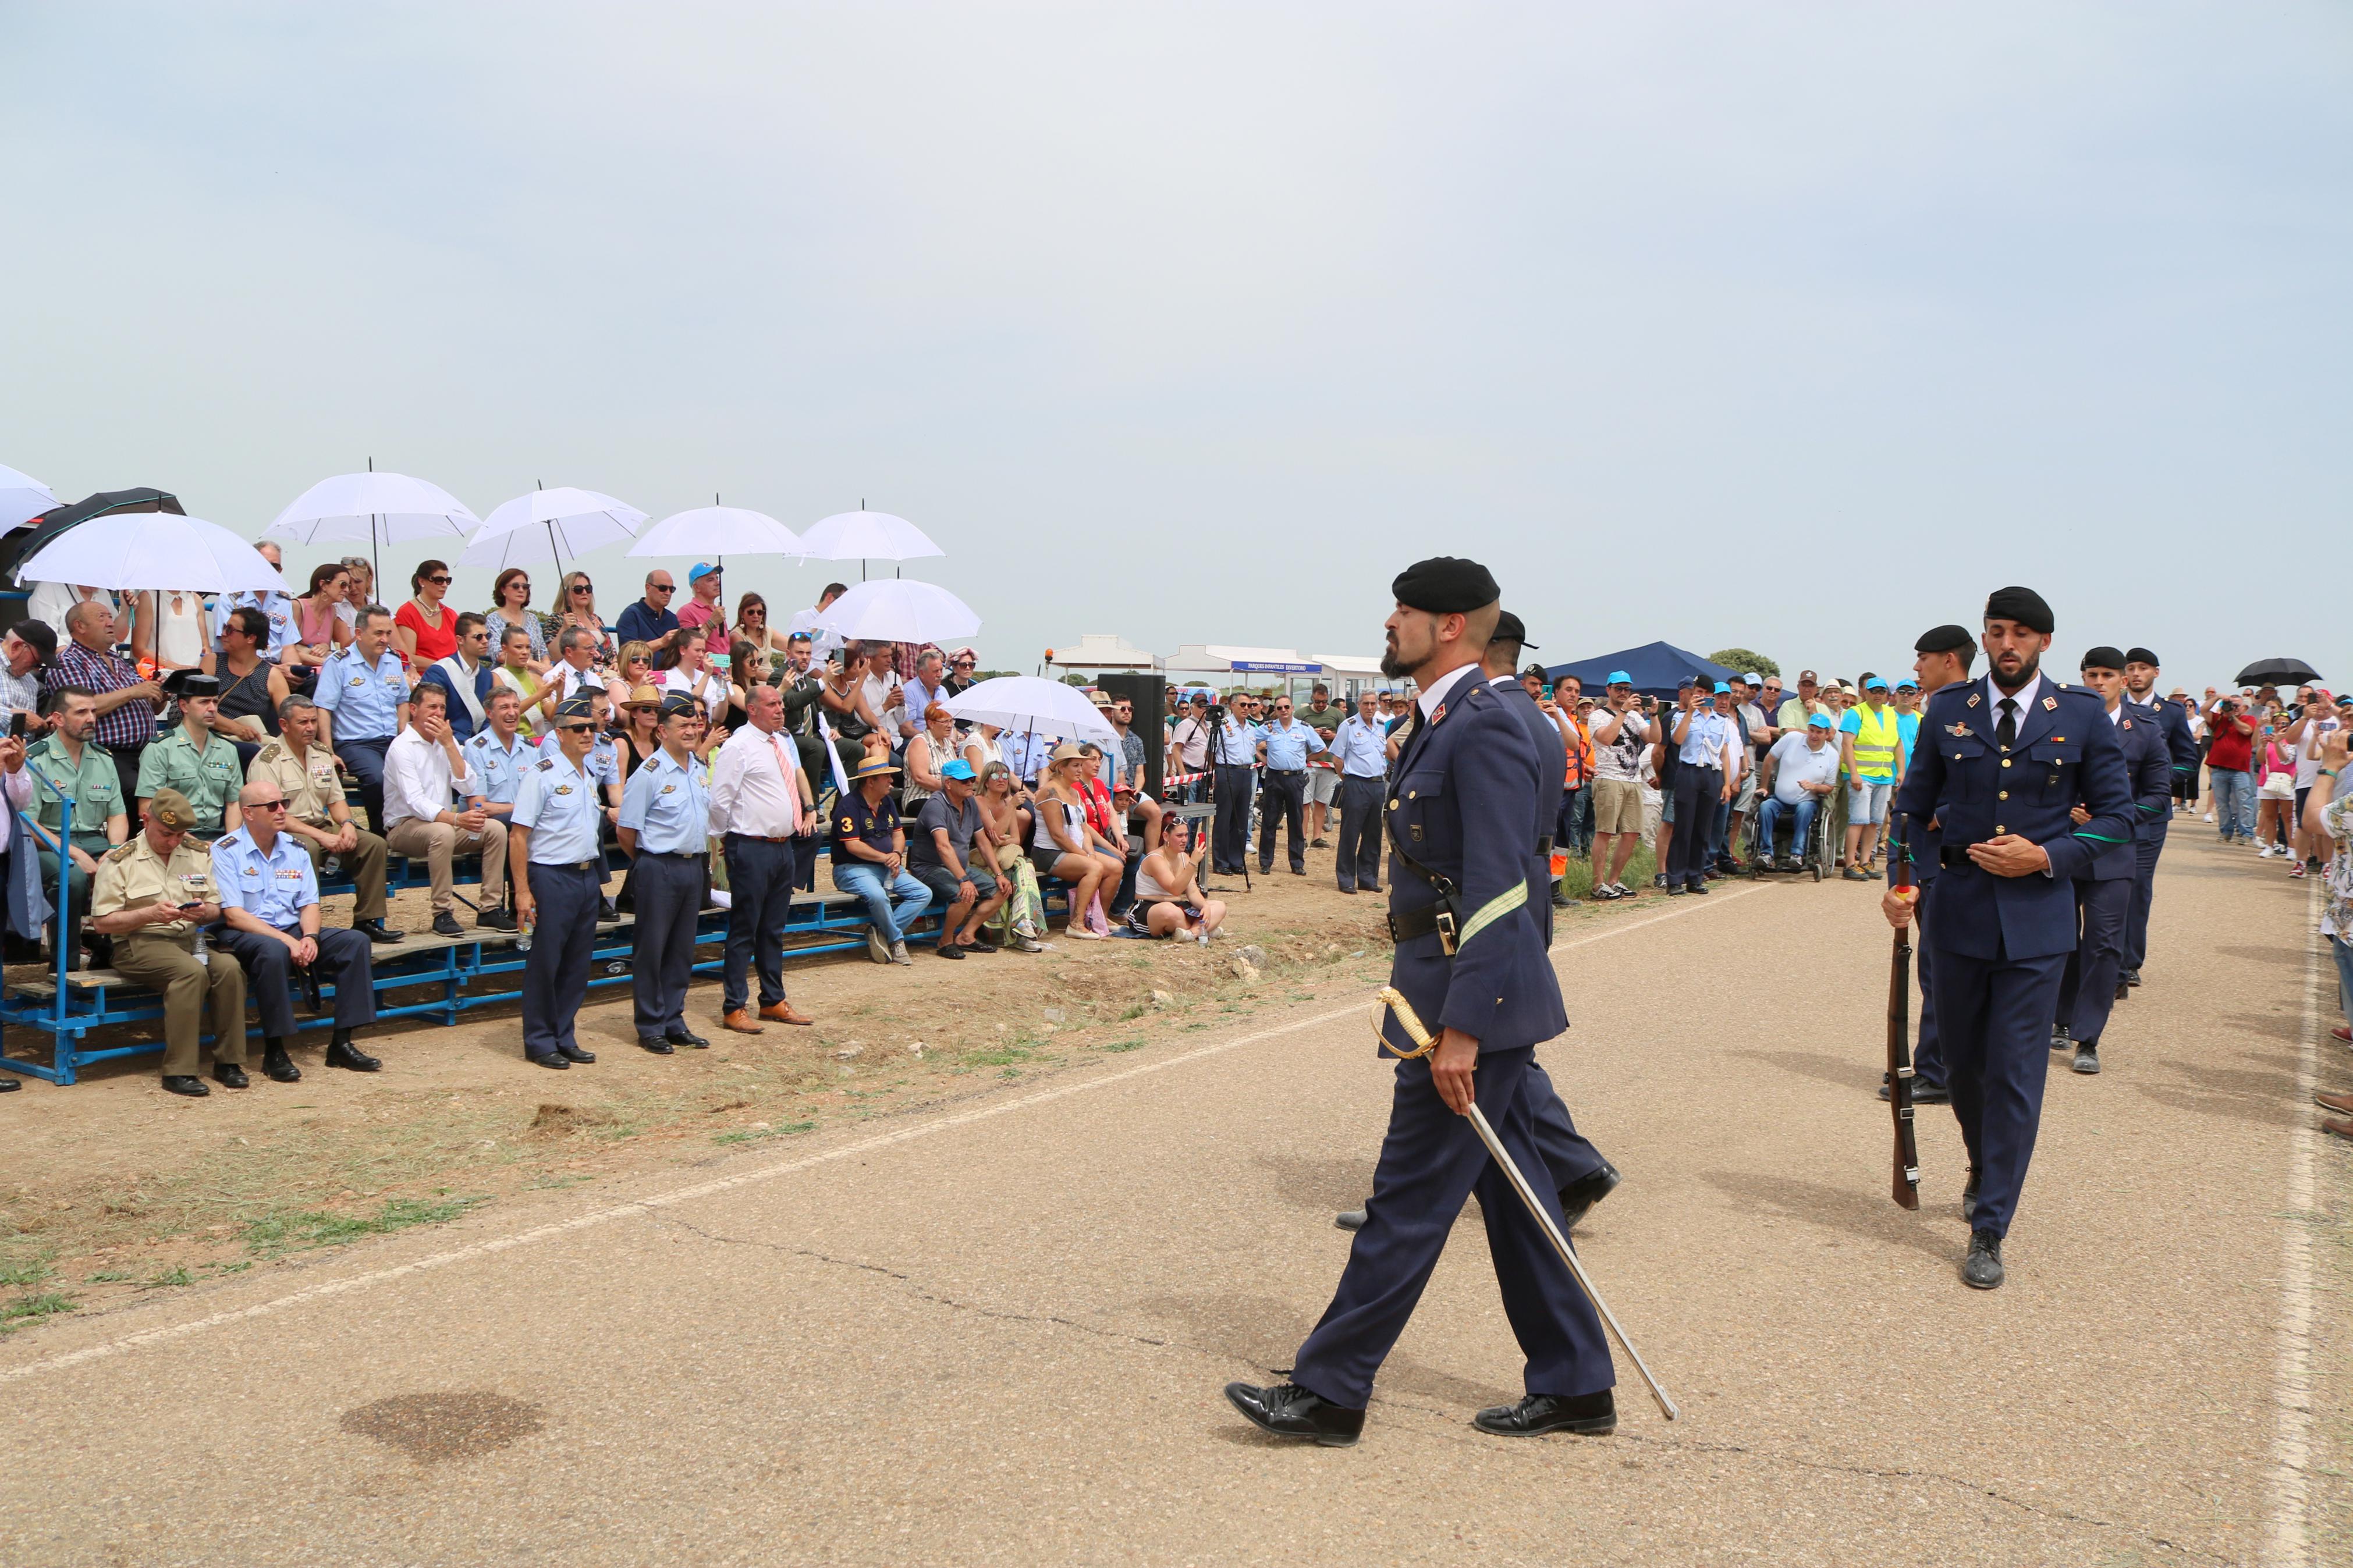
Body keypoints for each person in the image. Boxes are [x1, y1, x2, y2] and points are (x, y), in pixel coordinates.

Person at [1227, 557, 1616, 1448]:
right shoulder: (1450, 718)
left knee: (1405, 1199)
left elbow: (1497, 885)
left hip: (1463, 999)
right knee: (1517, 1198)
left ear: (1448, 626)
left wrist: (1465, 1028)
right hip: (1454, 986)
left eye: (1404, 609)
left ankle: (1329, 1391)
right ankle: (1575, 1382)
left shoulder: (1482, 724)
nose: (1390, 619)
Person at [1882, 586, 2131, 1290]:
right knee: (1961, 1067)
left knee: (2016, 1075)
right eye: (1996, 631)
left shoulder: (2078, 715)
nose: (2007, 644)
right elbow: (1912, 806)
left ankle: (1989, 1224)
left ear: (2044, 643)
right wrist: (1905, 882)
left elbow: (2115, 817)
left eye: (2021, 633)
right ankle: (1981, 1160)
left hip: (2037, 920)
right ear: (1983, 639)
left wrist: (2047, 856)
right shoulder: (1948, 709)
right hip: (1956, 912)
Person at [2050, 649, 2171, 1076]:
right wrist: (2064, 811)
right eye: (2090, 674)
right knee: (2063, 938)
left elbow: (2159, 794)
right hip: (2064, 847)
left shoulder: (2144, 731)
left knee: (2103, 944)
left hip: (2115, 850)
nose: (2098, 681)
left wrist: (2116, 816)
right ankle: (2059, 1019)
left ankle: (2088, 1036)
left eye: (2106, 675)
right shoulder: (2059, 724)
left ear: (2123, 680)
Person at [211, 779, 382, 1082]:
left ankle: (341, 1043)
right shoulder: (226, 851)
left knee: (355, 942)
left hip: (292, 929)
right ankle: (275, 1051)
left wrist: (310, 937)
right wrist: (288, 940)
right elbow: (234, 915)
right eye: (272, 806)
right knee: (274, 951)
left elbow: (309, 904)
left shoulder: (297, 849)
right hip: (247, 933)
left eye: (284, 804)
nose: (282, 811)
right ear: (248, 813)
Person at [1876, 623, 1980, 1110]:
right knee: (1932, 971)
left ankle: (1937, 1070)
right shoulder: (1939, 707)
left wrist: (1939, 817)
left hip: (1953, 859)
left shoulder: (1965, 708)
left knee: (1941, 971)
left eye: (1923, 658)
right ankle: (1934, 1062)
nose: (1916, 667)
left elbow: (1980, 786)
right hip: (1925, 856)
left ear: (1948, 660)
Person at [88, 788, 244, 1097]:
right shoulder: (122, 860)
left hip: (190, 938)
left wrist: (204, 912)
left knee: (229, 968)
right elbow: (102, 922)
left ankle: (229, 1062)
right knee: (190, 973)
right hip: (138, 943)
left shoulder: (198, 853)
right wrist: (148, 914)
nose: (173, 841)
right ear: (146, 820)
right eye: (166, 833)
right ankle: (180, 1070)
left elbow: (216, 907)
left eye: (180, 834)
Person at [707, 682, 817, 1033]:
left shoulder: (781, 741)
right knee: (745, 928)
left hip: (782, 846)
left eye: (781, 704)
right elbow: (720, 800)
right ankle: (734, 1005)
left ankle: (772, 999)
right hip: (751, 845)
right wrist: (728, 839)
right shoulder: (738, 746)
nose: (780, 709)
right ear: (752, 709)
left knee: (773, 929)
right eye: (772, 704)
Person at [249, 695, 400, 944]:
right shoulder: (268, 761)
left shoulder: (321, 754)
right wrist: (321, 837)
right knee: (305, 848)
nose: (310, 728)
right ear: (284, 725)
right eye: (302, 723)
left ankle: (367, 921)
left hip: (320, 825)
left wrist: (348, 825)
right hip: (281, 831)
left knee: (374, 845)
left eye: (313, 721)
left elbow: (336, 800)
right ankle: (306, 926)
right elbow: (274, 815)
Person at [509, 696, 608, 1068]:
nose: (587, 735)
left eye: (592, 728)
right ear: (559, 733)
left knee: (577, 964)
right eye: (579, 729)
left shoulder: (588, 774)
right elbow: (518, 836)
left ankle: (563, 1034)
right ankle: (539, 1040)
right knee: (546, 962)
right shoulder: (543, 775)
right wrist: (522, 891)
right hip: (551, 876)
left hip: (585, 877)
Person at [615, 692, 713, 1053]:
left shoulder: (699, 769)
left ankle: (674, 1019)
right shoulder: (649, 773)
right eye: (683, 725)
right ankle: (650, 1024)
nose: (691, 731)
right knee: (652, 949)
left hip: (693, 867)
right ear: (662, 732)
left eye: (694, 724)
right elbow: (627, 830)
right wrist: (648, 863)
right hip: (659, 867)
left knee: (681, 950)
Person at [381, 683, 506, 939]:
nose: (438, 713)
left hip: (442, 825)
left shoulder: (445, 742)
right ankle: (442, 913)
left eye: (442, 708)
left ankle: (490, 909)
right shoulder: (401, 747)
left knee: (495, 829)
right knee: (443, 833)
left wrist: (449, 745)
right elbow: (415, 801)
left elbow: (468, 784)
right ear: (414, 710)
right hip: (404, 828)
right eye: (432, 707)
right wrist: (457, 819)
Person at [22, 687, 122, 970]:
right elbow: (29, 823)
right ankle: (65, 967)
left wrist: (114, 850)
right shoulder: (35, 759)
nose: (91, 718)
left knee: (131, 866)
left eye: (93, 711)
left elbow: (117, 815)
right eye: (81, 712)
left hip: (95, 840)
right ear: (58, 719)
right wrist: (75, 854)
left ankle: (110, 953)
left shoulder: (103, 758)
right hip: (46, 844)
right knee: (72, 878)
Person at [46, 600, 162, 819]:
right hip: (104, 753)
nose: (111, 623)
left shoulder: (118, 660)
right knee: (140, 792)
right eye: (102, 618)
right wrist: (134, 691)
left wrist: (159, 693)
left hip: (147, 751)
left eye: (111, 617)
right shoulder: (68, 661)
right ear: (80, 626)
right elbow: (82, 709)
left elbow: (153, 707)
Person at [314, 605, 410, 835]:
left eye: (388, 633)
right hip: (356, 743)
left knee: (417, 772)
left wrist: (404, 736)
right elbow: (324, 709)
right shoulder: (339, 663)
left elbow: (403, 700)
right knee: (378, 778)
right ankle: (381, 835)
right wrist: (328, 752)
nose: (385, 639)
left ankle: (410, 834)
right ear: (359, 633)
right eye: (378, 633)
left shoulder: (393, 660)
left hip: (391, 739)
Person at [829, 754, 931, 965]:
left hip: (886, 867)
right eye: (886, 777)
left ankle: (880, 932)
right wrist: (885, 857)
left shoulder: (887, 802)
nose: (891, 781)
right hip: (852, 869)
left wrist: (895, 854)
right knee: (878, 896)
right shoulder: (848, 806)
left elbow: (898, 833)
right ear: (870, 781)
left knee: (923, 893)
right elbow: (853, 846)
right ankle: (895, 940)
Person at [909, 758, 1008, 958]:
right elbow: (943, 847)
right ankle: (945, 942)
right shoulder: (936, 805)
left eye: (972, 780)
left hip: (958, 866)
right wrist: (964, 879)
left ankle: (966, 936)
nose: (971, 784)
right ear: (948, 784)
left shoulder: (970, 802)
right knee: (965, 894)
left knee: (1001, 890)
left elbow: (982, 841)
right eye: (964, 781)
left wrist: (999, 873)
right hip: (929, 867)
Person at [460, 686, 535, 928]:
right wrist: (521, 809)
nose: (512, 712)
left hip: (521, 821)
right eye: (504, 707)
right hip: (485, 825)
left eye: (515, 706)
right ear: (489, 713)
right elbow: (478, 805)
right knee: (515, 825)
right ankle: (513, 905)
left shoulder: (530, 748)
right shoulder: (476, 748)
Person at [136, 672, 244, 838]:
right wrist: (193, 843)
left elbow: (234, 803)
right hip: (173, 836)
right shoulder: (161, 748)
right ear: (184, 706)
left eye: (215, 702)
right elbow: (147, 807)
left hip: (218, 836)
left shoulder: (227, 749)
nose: (212, 708)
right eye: (204, 702)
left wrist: (231, 842)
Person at [1666, 681, 1738, 895]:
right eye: (1699, 693)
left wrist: (1726, 783)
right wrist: (1690, 711)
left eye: (1707, 694)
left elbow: (1724, 753)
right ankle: (1675, 879)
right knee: (1683, 827)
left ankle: (1695, 877)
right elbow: (1677, 740)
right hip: (1689, 772)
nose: (1703, 697)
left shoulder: (1721, 722)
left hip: (1712, 773)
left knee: (1703, 828)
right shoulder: (1681, 716)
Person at [1584, 672, 1649, 901]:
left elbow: (1654, 737)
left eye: (1627, 689)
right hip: (1609, 778)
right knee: (1605, 831)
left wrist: (1654, 714)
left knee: (1631, 833)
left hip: (1633, 779)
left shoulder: (1635, 716)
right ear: (1609, 689)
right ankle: (1597, 883)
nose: (1624, 693)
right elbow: (1607, 739)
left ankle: (1614, 880)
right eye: (1619, 688)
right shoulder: (1597, 716)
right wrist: (1622, 712)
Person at [975, 761, 1046, 951]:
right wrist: (1011, 809)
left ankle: (1022, 926)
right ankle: (1025, 924)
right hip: (981, 859)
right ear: (986, 781)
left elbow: (1014, 838)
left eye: (1006, 776)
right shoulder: (979, 801)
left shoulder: (1008, 802)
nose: (1002, 780)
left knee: (1023, 866)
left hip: (1004, 858)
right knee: (1024, 866)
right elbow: (995, 836)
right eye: (996, 776)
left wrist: (1001, 839)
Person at [208, 607, 292, 764]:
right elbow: (198, 708)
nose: (224, 633)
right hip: (211, 736)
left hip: (252, 740)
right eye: (225, 627)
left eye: (231, 630)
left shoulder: (272, 675)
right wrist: (236, 728)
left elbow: (289, 718)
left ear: (251, 638)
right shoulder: (213, 662)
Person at [1839, 676, 1903, 879]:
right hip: (1862, 776)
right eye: (1873, 691)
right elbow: (1847, 744)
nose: (1877, 695)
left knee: (1875, 822)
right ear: (1865, 693)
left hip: (1884, 775)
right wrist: (1854, 773)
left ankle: (1865, 861)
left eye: (1881, 692)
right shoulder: (1856, 713)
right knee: (1858, 820)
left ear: (1887, 695)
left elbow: (1898, 744)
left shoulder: (1892, 715)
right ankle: (1850, 863)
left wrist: (1901, 771)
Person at [1755, 712, 1839, 867]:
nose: (1814, 735)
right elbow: (1769, 759)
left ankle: (1797, 854)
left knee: (1804, 809)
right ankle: (1766, 853)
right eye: (1811, 730)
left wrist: (1814, 787)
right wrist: (1763, 787)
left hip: (1807, 801)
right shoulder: (1792, 738)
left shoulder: (1832, 755)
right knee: (1765, 807)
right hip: (1780, 799)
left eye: (1819, 732)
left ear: (1827, 734)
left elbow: (1829, 787)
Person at [1257, 693, 1327, 876]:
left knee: (1296, 821)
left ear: (1292, 708)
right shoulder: (1268, 728)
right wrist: (1262, 758)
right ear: (1276, 710)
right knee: (1270, 820)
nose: (1283, 711)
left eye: (1286, 707)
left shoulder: (1304, 728)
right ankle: (1266, 862)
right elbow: (1251, 742)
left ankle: (1297, 863)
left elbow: (1321, 749)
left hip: (1296, 779)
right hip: (1274, 777)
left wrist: (1305, 759)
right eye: (1279, 708)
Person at [1328, 689, 1389, 894]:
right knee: (1350, 833)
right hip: (1356, 784)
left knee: (1373, 834)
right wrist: (1350, 781)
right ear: (1359, 704)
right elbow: (1338, 759)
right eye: (1366, 704)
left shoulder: (1381, 727)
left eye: (1373, 704)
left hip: (1377, 785)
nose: (1370, 708)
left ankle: (1368, 878)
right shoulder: (1349, 726)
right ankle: (1346, 879)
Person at [1127, 814, 1225, 940]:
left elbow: (1193, 891)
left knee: (1219, 906)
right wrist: (1193, 863)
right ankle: (1203, 931)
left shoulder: (1184, 857)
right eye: (1179, 836)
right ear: (1166, 836)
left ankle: (1191, 934)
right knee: (1171, 912)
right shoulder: (1155, 859)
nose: (1184, 840)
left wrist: (1204, 906)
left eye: (1186, 835)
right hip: (1149, 908)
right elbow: (1175, 889)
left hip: (1177, 906)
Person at [418, 611, 496, 744]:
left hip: (479, 745)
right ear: (460, 640)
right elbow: (431, 716)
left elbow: (487, 718)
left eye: (487, 636)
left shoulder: (487, 676)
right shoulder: (439, 672)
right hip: (446, 743)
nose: (485, 641)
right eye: (478, 637)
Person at [1209, 694, 1263, 875]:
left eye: (1250, 705)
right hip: (1227, 771)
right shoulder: (1224, 726)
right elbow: (1210, 753)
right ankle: (1221, 861)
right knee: (1224, 818)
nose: (1247, 708)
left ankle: (1237, 860)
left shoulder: (1251, 728)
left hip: (1246, 772)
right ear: (1233, 706)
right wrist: (1215, 775)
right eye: (1243, 705)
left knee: (1241, 818)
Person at [2204, 692, 2257, 842]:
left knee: (2245, 803)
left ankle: (2246, 833)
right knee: (2222, 804)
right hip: (2219, 769)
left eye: (2237, 706)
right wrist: (2218, 698)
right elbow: (2204, 711)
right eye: (2231, 705)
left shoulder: (2249, 719)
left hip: (2240, 770)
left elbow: (2247, 731)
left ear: (2244, 707)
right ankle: (2226, 831)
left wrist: (2232, 717)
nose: (2233, 708)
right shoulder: (2219, 719)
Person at [1298, 683, 1346, 845]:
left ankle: (1316, 837)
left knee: (1321, 802)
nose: (1321, 705)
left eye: (1324, 702)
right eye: (1318, 702)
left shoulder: (1337, 714)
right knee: (1305, 802)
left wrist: (1333, 735)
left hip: (1329, 764)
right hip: (1308, 763)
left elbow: (1346, 736)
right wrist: (1311, 733)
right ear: (1312, 698)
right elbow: (1293, 734)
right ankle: (1302, 838)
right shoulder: (1301, 714)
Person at [285, 563, 354, 675]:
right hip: (301, 673)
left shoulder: (332, 611)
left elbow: (328, 646)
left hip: (322, 673)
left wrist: (325, 646)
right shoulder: (297, 607)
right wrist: (327, 662)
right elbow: (287, 649)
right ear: (324, 585)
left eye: (348, 586)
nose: (347, 590)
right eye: (343, 585)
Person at [492, 623, 558, 736]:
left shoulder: (536, 678)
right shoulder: (497, 676)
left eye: (528, 647)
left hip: (539, 741)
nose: (525, 652)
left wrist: (560, 693)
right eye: (519, 647)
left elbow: (555, 718)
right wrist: (538, 696)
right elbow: (506, 715)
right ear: (505, 648)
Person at [392, 559, 458, 669]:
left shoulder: (451, 614)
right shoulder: (407, 613)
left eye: (448, 580)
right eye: (439, 580)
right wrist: (442, 667)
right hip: (424, 678)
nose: (445, 585)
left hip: (452, 676)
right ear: (422, 581)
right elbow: (408, 656)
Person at [482, 567, 550, 673]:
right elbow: (499, 654)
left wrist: (547, 668)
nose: (521, 590)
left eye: (525, 587)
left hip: (536, 674)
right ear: (503, 590)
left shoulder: (533, 619)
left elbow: (542, 651)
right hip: (507, 674)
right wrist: (536, 666)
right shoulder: (493, 619)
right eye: (516, 586)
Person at [141, 586, 212, 677]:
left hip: (194, 675)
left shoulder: (196, 599)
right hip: (161, 674)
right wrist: (171, 665)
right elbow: (140, 649)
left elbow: (206, 646)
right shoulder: (148, 597)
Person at [0, 620, 55, 733]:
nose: (37, 669)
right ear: (17, 647)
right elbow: (23, 719)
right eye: (37, 662)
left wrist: (43, 726)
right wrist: (17, 717)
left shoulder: (31, 683)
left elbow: (27, 733)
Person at [902, 702, 960, 808]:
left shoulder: (947, 743)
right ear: (931, 723)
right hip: (922, 797)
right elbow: (920, 777)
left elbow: (957, 771)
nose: (950, 725)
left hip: (947, 797)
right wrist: (952, 789)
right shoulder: (920, 742)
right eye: (945, 721)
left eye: (951, 721)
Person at [551, 570, 614, 666]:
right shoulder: (557, 619)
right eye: (578, 589)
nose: (584, 592)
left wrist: (616, 663)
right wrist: (564, 629)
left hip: (609, 671)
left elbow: (611, 650)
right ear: (566, 593)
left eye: (588, 589)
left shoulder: (596, 619)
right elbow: (554, 656)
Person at [616, 570, 683, 657]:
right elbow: (628, 653)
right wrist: (662, 642)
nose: (668, 593)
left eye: (672, 589)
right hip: (643, 670)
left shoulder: (672, 619)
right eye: (663, 588)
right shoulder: (632, 615)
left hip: (669, 670)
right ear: (648, 588)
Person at [1167, 691, 1213, 805]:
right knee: (1189, 812)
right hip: (1190, 772)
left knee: (1200, 812)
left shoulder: (1208, 726)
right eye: (1200, 706)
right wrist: (1183, 773)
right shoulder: (1185, 725)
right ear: (1192, 708)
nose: (1204, 709)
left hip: (1204, 774)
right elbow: (1176, 750)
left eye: (1206, 706)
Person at [899, 648, 950, 746]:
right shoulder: (909, 691)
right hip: (918, 741)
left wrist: (953, 738)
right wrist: (932, 741)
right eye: (936, 671)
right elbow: (905, 729)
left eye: (941, 670)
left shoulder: (943, 691)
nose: (940, 675)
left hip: (943, 741)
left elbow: (951, 722)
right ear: (922, 673)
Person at [786, 582, 847, 662]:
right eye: (842, 603)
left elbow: (841, 652)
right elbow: (796, 655)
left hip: (830, 672)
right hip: (806, 672)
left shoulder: (835, 625)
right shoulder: (802, 618)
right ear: (830, 598)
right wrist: (822, 675)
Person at [675, 563, 729, 643]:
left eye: (717, 578)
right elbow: (689, 645)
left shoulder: (718, 611)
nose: (718, 583)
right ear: (697, 587)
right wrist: (712, 623)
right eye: (710, 580)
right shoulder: (686, 612)